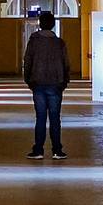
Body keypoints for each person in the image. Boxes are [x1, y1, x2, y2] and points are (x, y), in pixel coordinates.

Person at [22, 11, 70, 159]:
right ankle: (57, 150)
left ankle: (38, 150)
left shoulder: (34, 42)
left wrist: (28, 80)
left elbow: (27, 61)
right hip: (56, 84)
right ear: (53, 25)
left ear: (40, 24)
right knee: (55, 118)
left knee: (41, 117)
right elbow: (66, 63)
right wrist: (64, 81)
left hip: (38, 83)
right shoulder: (59, 43)